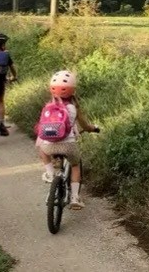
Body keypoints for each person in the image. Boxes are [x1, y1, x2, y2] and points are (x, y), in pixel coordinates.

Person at [36, 70, 99, 210]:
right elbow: (85, 126)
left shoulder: (47, 107)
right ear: (72, 91)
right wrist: (93, 128)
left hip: (48, 146)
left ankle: (51, 174)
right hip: (69, 145)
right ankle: (74, 197)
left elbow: (41, 127)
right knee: (75, 165)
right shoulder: (73, 107)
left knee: (42, 149)